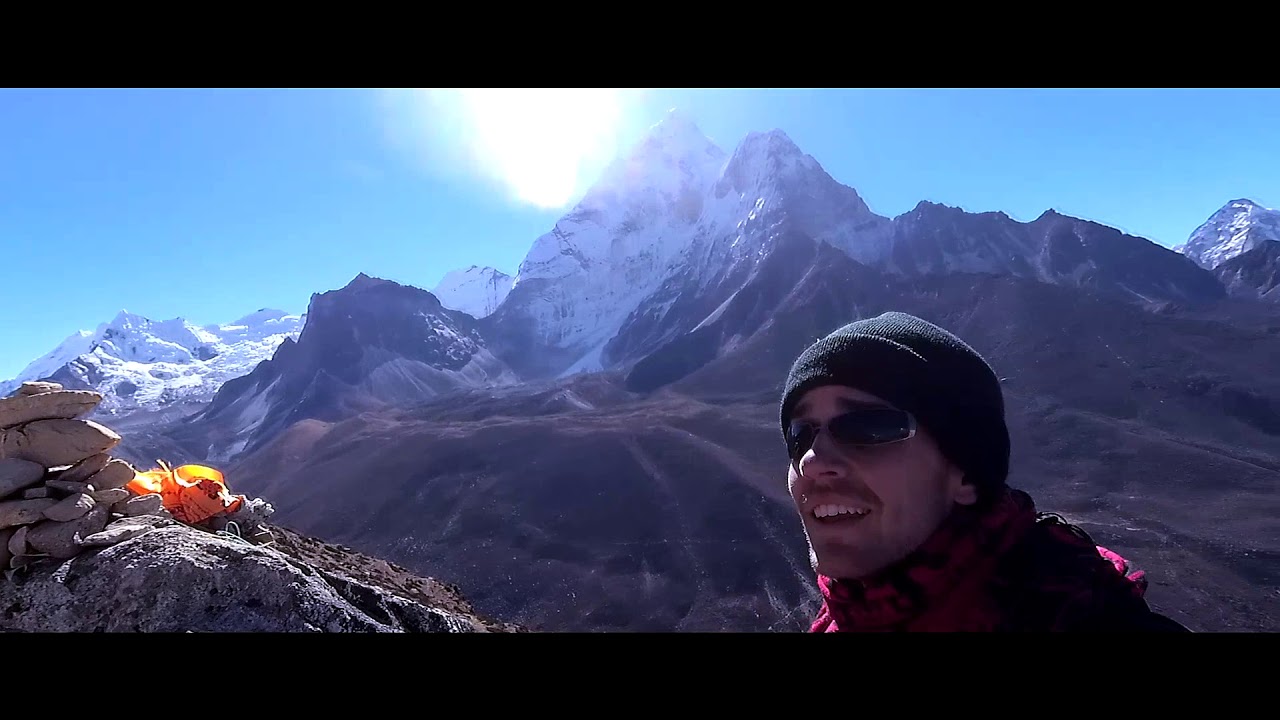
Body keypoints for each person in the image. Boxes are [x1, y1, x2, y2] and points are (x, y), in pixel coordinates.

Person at [779, 311, 1191, 632]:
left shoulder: (1089, 618)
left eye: (867, 427)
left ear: (967, 475)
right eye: (800, 435)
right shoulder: (854, 612)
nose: (812, 460)